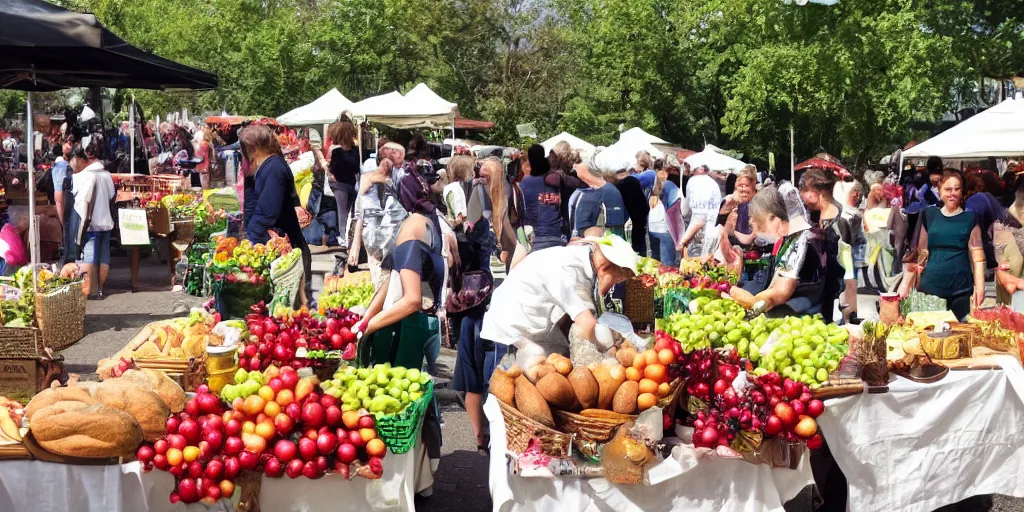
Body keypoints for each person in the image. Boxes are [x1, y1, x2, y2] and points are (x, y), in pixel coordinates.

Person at [351, 167, 444, 472]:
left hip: (410, 327)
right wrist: (365, 318)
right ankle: (426, 468)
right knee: (417, 397)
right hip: (423, 324)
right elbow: (389, 283)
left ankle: (411, 473)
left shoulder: (407, 239)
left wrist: (372, 328)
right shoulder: (423, 223)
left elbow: (411, 299)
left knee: (404, 405)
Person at [480, 232, 637, 363]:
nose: (614, 285)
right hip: (507, 328)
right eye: (616, 279)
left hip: (531, 327)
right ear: (604, 269)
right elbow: (586, 323)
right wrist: (610, 351)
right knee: (502, 385)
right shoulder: (568, 270)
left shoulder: (582, 260)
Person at [726, 184, 828, 317]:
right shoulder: (792, 238)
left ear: (774, 218)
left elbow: (781, 291)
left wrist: (752, 302)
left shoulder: (802, 241)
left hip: (802, 319)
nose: (758, 232)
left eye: (760, 224)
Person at [897, 171, 985, 320]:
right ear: (940, 191)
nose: (952, 193)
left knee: (958, 335)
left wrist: (980, 287)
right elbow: (918, 253)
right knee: (930, 334)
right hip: (931, 288)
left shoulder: (970, 218)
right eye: (948, 189)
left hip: (961, 289)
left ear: (962, 191)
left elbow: (978, 259)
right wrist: (905, 284)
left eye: (957, 189)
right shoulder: (929, 214)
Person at [241, 125, 313, 304]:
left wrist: (250, 240)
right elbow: (252, 209)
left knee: (289, 316)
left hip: (289, 257)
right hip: (278, 253)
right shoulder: (265, 168)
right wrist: (249, 176)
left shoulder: (274, 168)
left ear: (252, 149)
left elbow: (267, 211)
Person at [354, 142, 409, 283]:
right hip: (376, 230)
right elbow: (362, 210)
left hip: (379, 231)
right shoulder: (375, 179)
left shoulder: (372, 178)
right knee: (383, 272)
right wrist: (355, 244)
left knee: (380, 271)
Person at [69, 137, 116, 299]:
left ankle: (89, 291)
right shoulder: (106, 174)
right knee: (104, 257)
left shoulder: (82, 176)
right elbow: (112, 196)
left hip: (90, 224)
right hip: (106, 223)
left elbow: (78, 201)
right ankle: (99, 289)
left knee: (89, 256)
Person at [799, 169, 844, 323]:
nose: (801, 197)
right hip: (817, 282)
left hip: (831, 282)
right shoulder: (814, 214)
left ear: (815, 192)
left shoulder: (840, 217)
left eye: (803, 191)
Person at [316, 121, 360, 248]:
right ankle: (345, 236)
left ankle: (344, 236)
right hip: (348, 183)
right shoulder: (355, 151)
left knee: (343, 212)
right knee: (347, 212)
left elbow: (333, 168)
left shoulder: (336, 152)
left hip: (339, 184)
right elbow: (356, 168)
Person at [568, 157, 628, 238]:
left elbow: (615, 231)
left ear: (587, 167)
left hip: (596, 246)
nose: (574, 165)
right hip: (577, 243)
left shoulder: (609, 192)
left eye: (578, 162)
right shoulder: (580, 189)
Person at [834, 179, 867, 324]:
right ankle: (846, 318)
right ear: (855, 194)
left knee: (849, 289)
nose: (860, 197)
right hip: (848, 257)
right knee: (848, 288)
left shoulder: (847, 212)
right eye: (859, 194)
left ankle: (847, 317)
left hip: (850, 257)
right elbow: (847, 240)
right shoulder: (849, 214)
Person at [965, 172, 1007, 271]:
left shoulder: (976, 199)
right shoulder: (987, 196)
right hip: (999, 241)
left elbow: (972, 222)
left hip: (986, 245)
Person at [679, 165, 722, 257]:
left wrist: (684, 240)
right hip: (712, 231)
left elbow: (698, 217)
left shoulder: (694, 182)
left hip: (698, 232)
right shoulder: (713, 183)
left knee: (694, 264)